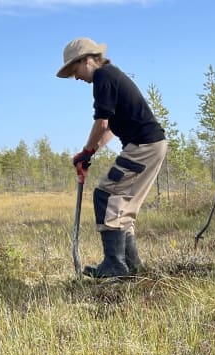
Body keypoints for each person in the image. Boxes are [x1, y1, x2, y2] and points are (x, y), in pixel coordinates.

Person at [57, 36, 168, 278]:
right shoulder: (110, 75)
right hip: (150, 144)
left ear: (87, 60)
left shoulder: (103, 77)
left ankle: (115, 265)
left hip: (143, 145)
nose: (76, 77)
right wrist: (89, 154)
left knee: (106, 195)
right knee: (123, 206)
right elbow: (109, 129)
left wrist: (86, 151)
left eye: (74, 69)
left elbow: (101, 121)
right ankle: (132, 266)